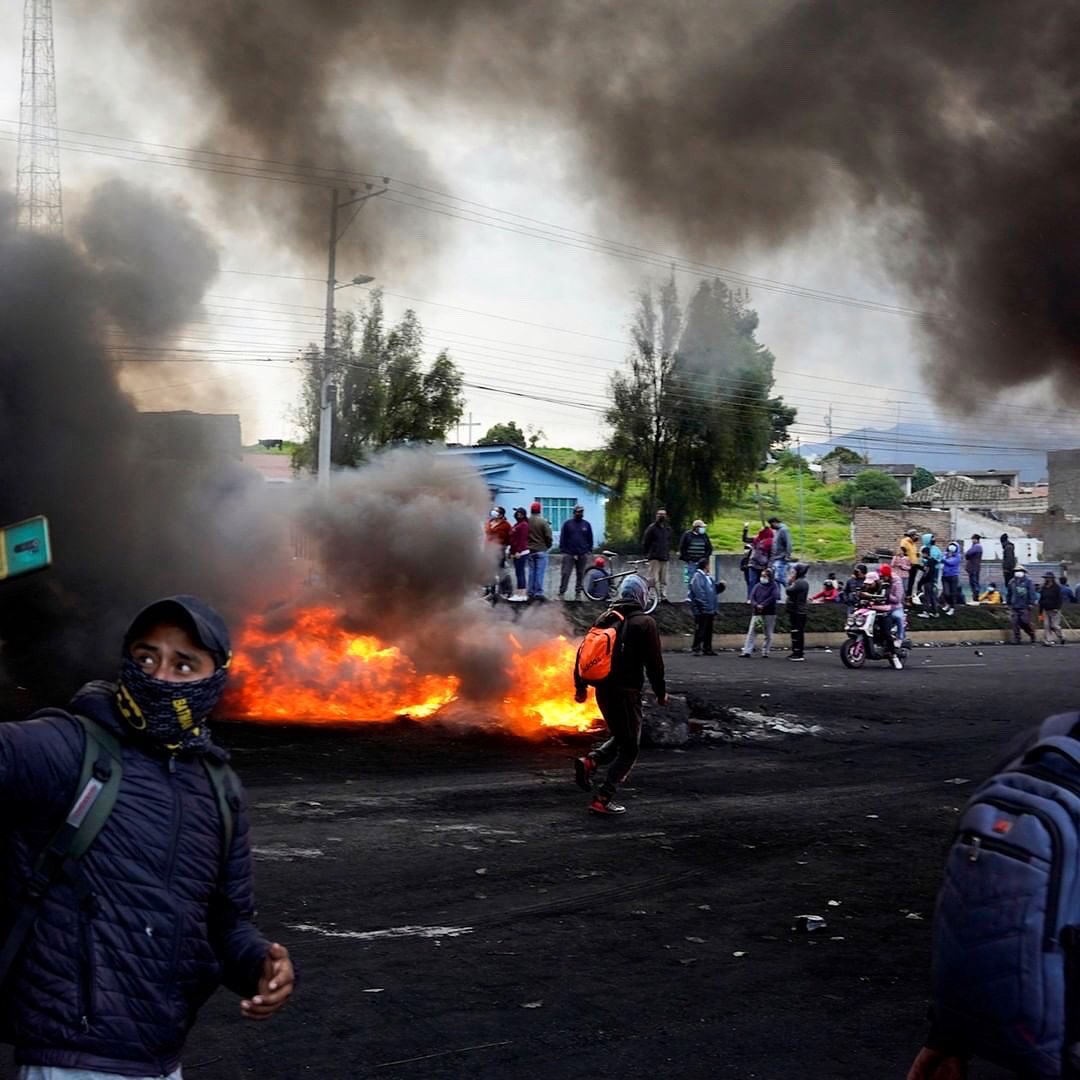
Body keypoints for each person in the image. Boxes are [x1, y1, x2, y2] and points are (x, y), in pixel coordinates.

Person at [0, 595, 295, 1079]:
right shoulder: (68, 746)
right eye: (145, 657)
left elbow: (228, 923)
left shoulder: (219, 790)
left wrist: (262, 967)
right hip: (71, 1060)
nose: (159, 677)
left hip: (162, 1062)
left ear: (214, 677)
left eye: (183, 664)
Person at [573, 576, 667, 816]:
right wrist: (660, 692)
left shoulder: (606, 618)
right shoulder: (645, 623)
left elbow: (583, 652)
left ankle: (591, 762)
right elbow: (654, 663)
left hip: (602, 691)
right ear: (640, 596)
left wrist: (580, 687)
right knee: (630, 748)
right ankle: (603, 798)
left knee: (622, 735)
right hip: (627, 692)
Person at [741, 567, 781, 658]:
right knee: (752, 631)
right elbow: (752, 597)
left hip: (769, 612)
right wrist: (756, 605)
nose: (763, 578)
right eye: (762, 576)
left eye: (765, 576)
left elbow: (773, 597)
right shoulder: (757, 586)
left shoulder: (774, 585)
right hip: (757, 612)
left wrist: (763, 605)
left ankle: (765, 651)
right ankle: (747, 651)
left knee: (768, 633)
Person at [558, 505, 594, 601]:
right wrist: (563, 550)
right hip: (569, 553)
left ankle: (578, 592)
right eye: (578, 512)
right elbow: (563, 538)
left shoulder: (586, 525)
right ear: (574, 513)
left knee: (580, 573)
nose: (579, 513)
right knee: (565, 573)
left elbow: (590, 538)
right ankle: (562, 592)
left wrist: (589, 550)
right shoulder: (567, 524)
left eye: (581, 512)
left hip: (582, 553)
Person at [688, 556, 719, 656]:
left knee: (708, 629)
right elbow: (699, 592)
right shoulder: (698, 577)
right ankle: (696, 648)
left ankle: (707, 648)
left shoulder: (708, 577)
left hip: (710, 608)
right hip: (703, 609)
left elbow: (713, 591)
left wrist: (720, 587)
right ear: (706, 566)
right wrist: (703, 605)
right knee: (700, 629)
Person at [641, 509, 673, 601]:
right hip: (654, 557)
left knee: (664, 579)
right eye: (659, 515)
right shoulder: (652, 528)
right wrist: (647, 554)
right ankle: (651, 595)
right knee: (653, 578)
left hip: (664, 557)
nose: (661, 516)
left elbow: (669, 541)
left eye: (663, 515)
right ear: (656, 516)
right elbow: (646, 541)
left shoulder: (668, 529)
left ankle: (663, 596)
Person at [526, 500, 553, 599]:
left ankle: (530, 592)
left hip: (529, 550)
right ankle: (538, 593)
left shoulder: (527, 521)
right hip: (541, 550)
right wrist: (548, 545)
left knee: (531, 572)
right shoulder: (543, 522)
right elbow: (548, 536)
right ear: (539, 510)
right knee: (539, 572)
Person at [485, 506, 512, 597]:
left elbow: (510, 538)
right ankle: (490, 591)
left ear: (501, 514)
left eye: (496, 511)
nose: (493, 512)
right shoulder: (489, 522)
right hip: (488, 549)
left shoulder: (506, 525)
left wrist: (506, 547)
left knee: (499, 570)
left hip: (499, 550)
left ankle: (503, 591)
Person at [1006, 566, 1037, 643]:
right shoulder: (1012, 582)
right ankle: (1017, 638)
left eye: (1019, 570)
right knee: (1015, 623)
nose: (1017, 572)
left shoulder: (1028, 581)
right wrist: (1008, 602)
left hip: (1025, 606)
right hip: (1014, 606)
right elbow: (1009, 593)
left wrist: (1031, 603)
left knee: (1024, 622)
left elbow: (1032, 593)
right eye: (1016, 571)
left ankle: (1031, 633)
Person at [742, 521, 773, 595]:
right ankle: (750, 598)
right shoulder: (756, 539)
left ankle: (759, 598)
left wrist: (768, 567)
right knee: (752, 581)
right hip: (753, 564)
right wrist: (745, 528)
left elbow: (771, 555)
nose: (760, 531)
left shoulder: (770, 543)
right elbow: (745, 539)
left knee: (761, 583)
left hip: (763, 566)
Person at [786, 563, 810, 661]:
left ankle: (798, 653)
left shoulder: (800, 582)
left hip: (798, 612)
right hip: (796, 611)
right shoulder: (800, 582)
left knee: (797, 632)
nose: (792, 573)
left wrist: (789, 582)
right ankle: (796, 652)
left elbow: (789, 591)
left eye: (794, 571)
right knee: (796, 632)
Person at [678, 519, 712, 587]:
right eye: (701, 527)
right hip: (691, 562)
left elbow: (709, 548)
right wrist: (688, 559)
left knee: (703, 581)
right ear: (696, 528)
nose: (703, 529)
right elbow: (682, 548)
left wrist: (704, 559)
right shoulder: (687, 535)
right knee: (691, 580)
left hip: (702, 563)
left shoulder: (704, 535)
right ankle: (691, 596)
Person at [508, 507, 530, 600]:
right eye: (517, 513)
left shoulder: (524, 525)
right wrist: (511, 551)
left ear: (524, 515)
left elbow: (522, 539)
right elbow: (513, 539)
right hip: (516, 552)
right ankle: (518, 593)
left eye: (520, 514)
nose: (518, 515)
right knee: (518, 573)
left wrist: (518, 551)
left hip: (521, 552)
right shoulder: (518, 524)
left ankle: (522, 594)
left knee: (520, 573)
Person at [767, 515, 793, 595]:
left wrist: (787, 555)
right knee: (775, 578)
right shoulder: (777, 531)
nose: (771, 527)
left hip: (781, 558)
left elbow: (788, 543)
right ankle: (777, 596)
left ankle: (791, 590)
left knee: (779, 577)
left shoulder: (784, 530)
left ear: (775, 522)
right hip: (776, 558)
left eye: (771, 524)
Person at [1039, 571, 1065, 646]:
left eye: (1048, 578)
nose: (1047, 579)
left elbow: (1059, 599)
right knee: (1046, 625)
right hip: (1045, 610)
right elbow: (1041, 600)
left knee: (1054, 626)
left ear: (1052, 578)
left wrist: (1057, 608)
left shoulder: (1056, 588)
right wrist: (1040, 613)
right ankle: (1048, 640)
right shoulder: (1043, 588)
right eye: (1046, 578)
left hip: (1054, 610)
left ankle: (1061, 636)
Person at [916, 540, 940, 619]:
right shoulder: (933, 561)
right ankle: (935, 612)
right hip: (932, 581)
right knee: (933, 597)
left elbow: (926, 572)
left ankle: (926, 612)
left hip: (928, 582)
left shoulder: (929, 562)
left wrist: (920, 582)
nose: (922, 555)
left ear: (926, 553)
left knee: (927, 597)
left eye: (923, 553)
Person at [940, 542, 963, 615]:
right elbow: (941, 558)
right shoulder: (946, 554)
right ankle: (947, 604)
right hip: (945, 576)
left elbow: (950, 563)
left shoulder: (958, 556)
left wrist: (945, 558)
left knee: (953, 593)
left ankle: (952, 608)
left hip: (953, 576)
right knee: (946, 593)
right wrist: (945, 556)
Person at [900, 528, 922, 603]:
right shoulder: (905, 541)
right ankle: (905, 600)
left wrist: (916, 555)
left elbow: (911, 553)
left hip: (914, 566)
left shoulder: (913, 543)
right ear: (912, 535)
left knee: (911, 584)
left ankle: (909, 600)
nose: (917, 537)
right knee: (907, 584)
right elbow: (903, 551)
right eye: (916, 535)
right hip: (908, 566)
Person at [964, 534, 983, 601]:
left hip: (974, 567)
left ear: (976, 540)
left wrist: (967, 554)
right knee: (973, 582)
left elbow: (968, 553)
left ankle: (976, 596)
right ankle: (975, 595)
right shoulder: (975, 546)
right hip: (973, 567)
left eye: (973, 539)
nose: (972, 540)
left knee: (974, 582)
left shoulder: (977, 547)